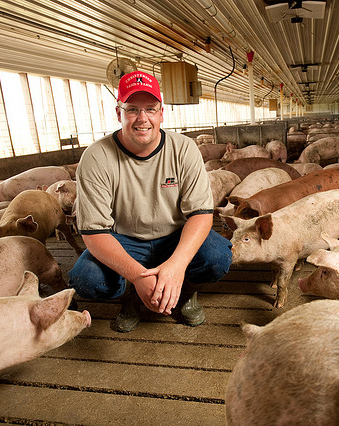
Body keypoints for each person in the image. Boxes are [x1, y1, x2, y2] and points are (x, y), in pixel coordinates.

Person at [69, 70, 232, 332]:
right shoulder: (96, 157)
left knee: (217, 258)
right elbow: (94, 233)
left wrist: (176, 267)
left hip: (174, 235)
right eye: (132, 109)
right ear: (118, 113)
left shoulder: (184, 148)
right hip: (123, 239)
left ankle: (185, 292)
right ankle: (131, 296)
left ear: (161, 113)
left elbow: (201, 214)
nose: (142, 118)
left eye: (150, 109)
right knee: (87, 279)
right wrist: (137, 277)